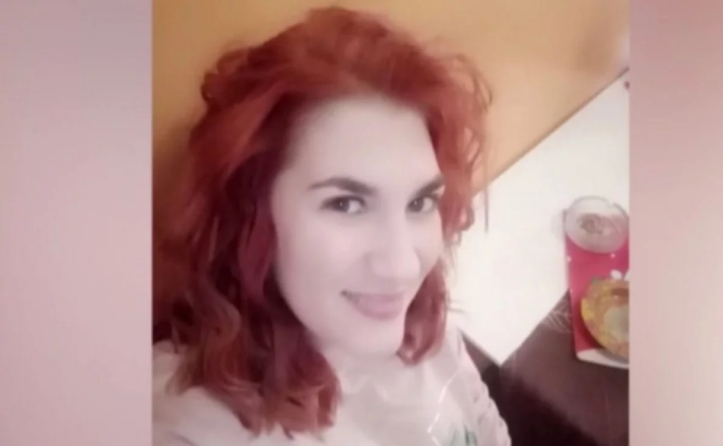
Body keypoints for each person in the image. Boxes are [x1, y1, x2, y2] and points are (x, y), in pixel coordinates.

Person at [152, 6, 510, 446]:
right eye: (346, 204)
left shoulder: (419, 321)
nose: (403, 268)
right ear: (251, 213)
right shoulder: (192, 423)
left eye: (419, 202)